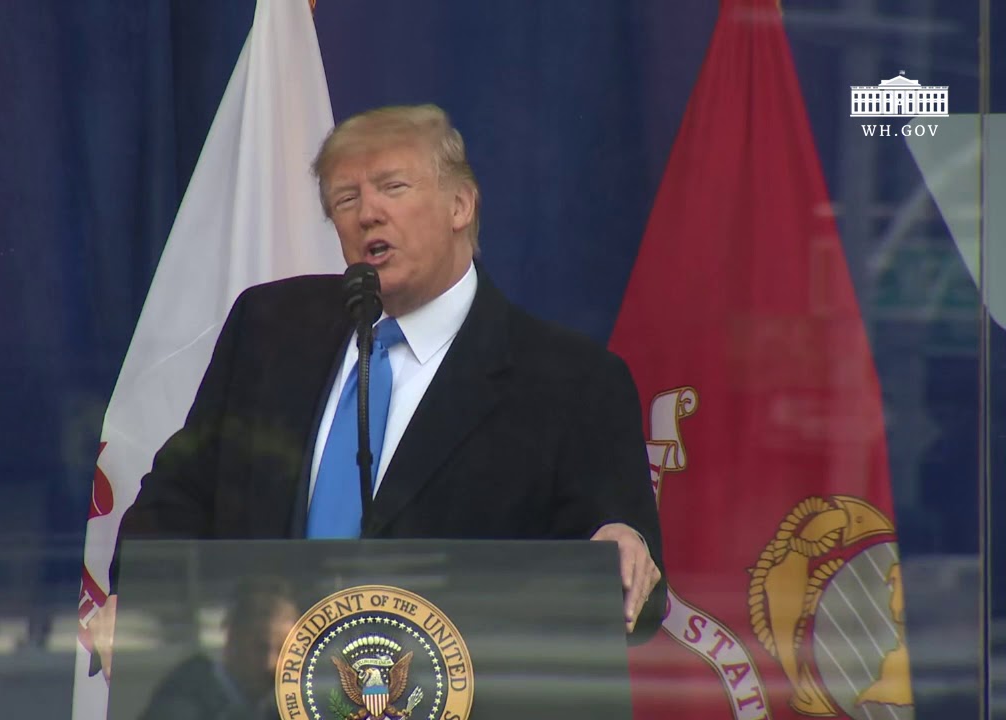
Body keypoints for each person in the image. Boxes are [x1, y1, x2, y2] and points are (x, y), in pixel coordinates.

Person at [97, 103, 665, 678]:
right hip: (256, 693)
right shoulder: (269, 329)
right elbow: (182, 492)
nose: (368, 213)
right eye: (346, 199)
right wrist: (138, 594)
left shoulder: (570, 382)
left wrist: (621, 552)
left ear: (460, 206)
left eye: (393, 187)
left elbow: (629, 588)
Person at [136, 577, 299, 720]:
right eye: (260, 648)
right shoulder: (178, 707)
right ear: (233, 640)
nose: (271, 664)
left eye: (283, 652)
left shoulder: (279, 709)